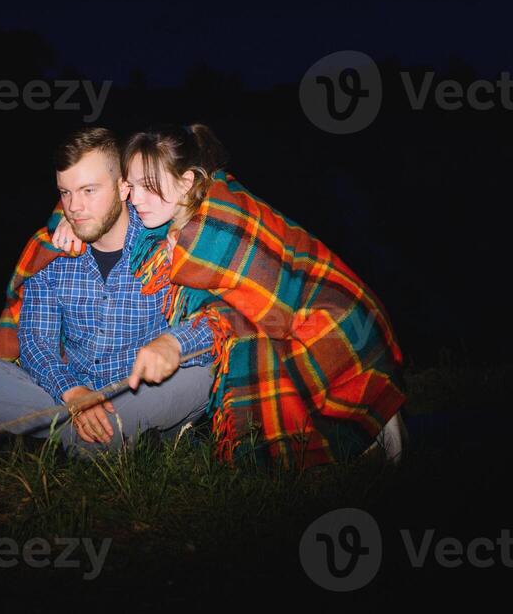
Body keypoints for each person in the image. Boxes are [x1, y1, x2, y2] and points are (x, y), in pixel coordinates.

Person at [51, 124, 408, 467]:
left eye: (148, 186)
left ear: (186, 181)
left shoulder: (220, 226)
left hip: (333, 315)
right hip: (297, 312)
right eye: (132, 185)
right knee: (249, 337)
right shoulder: (166, 212)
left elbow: (252, 298)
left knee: (257, 343)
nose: (136, 198)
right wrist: (68, 221)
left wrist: (174, 343)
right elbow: (103, 207)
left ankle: (370, 417)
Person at [0, 127, 218, 456]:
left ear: (123, 189)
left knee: (201, 377)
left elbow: (215, 321)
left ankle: (49, 439)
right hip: (69, 395)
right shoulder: (52, 252)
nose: (75, 207)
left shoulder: (165, 242)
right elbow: (36, 343)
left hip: (138, 392)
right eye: (66, 192)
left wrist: (172, 343)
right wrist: (73, 393)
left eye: (89, 190)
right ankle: (100, 442)